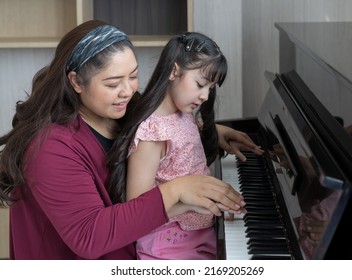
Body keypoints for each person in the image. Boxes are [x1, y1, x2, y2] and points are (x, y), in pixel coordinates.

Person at [0, 20, 262, 260]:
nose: (127, 91)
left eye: (133, 76)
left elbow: (159, 126)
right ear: (76, 82)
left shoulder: (122, 110)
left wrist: (212, 131)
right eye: (113, 84)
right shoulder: (49, 148)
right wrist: (176, 190)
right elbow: (89, 236)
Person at [107, 32, 250, 260]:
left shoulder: (181, 113)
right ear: (174, 71)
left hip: (197, 233)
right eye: (200, 84)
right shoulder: (152, 135)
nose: (204, 95)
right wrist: (194, 205)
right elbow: (137, 210)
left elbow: (182, 143)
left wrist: (217, 131)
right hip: (169, 245)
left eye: (211, 88)